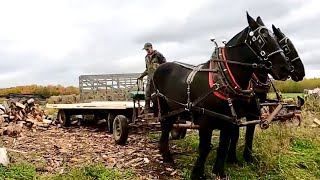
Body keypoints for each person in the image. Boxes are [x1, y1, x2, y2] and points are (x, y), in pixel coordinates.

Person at [138, 42, 166, 113]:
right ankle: (147, 110)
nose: (147, 51)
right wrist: (141, 75)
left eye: (147, 49)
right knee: (147, 93)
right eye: (146, 50)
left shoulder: (158, 55)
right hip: (149, 79)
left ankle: (160, 109)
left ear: (151, 47)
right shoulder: (146, 57)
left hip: (158, 78)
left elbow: (165, 65)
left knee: (157, 95)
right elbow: (147, 69)